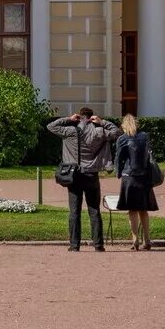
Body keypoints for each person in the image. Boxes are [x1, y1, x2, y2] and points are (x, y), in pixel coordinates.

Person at [47, 106, 115, 252]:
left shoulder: (70, 131)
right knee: (94, 210)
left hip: (74, 175)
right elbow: (117, 132)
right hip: (91, 175)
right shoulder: (99, 132)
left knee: (74, 211)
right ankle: (98, 245)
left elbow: (51, 126)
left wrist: (69, 119)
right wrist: (102, 122)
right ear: (91, 117)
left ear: (80, 116)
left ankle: (74, 245)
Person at [112, 113, 163, 250]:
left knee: (132, 210)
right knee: (143, 210)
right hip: (144, 176)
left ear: (124, 125)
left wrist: (118, 172)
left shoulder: (122, 139)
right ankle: (147, 240)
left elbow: (118, 158)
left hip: (129, 176)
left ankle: (135, 239)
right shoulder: (145, 137)